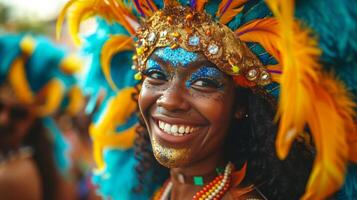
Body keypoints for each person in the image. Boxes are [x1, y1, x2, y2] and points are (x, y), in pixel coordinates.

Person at [58, 0, 357, 199]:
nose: (170, 100)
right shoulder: (163, 190)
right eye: (156, 75)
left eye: (203, 82)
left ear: (240, 105)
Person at [0, 34, 84, 200]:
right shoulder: (44, 161)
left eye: (19, 114)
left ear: (36, 120)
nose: (3, 119)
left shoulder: (14, 175)